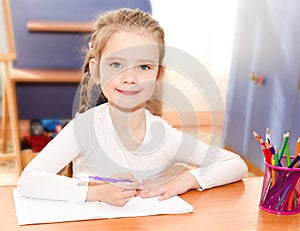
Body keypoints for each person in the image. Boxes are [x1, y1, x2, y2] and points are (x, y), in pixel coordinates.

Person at [17, 8, 248, 207]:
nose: (130, 78)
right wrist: (96, 193)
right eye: (116, 64)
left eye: (144, 67)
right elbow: (29, 180)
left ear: (159, 74)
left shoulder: (164, 136)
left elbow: (234, 164)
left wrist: (184, 181)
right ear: (96, 70)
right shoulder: (85, 130)